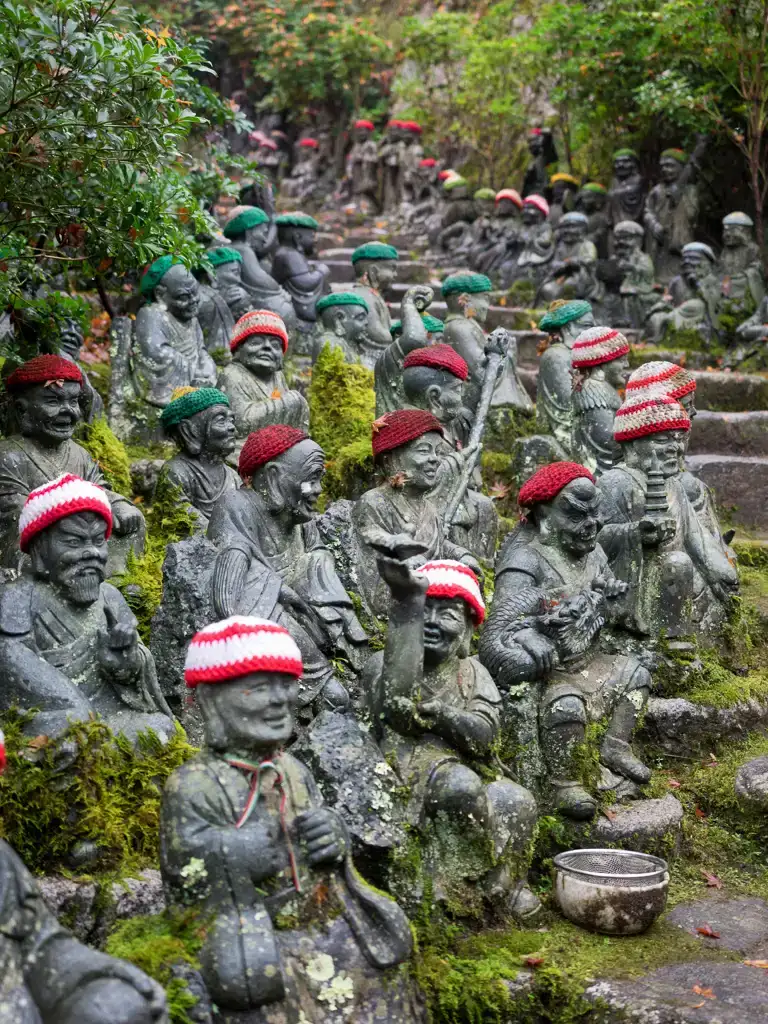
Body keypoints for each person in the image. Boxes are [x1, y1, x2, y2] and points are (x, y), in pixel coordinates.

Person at [160, 617, 416, 1021]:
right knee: (253, 984)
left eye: (286, 685)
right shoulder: (194, 785)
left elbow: (324, 852)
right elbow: (185, 871)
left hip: (315, 917)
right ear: (211, 699)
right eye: (260, 688)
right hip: (251, 929)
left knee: (389, 946)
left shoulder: (294, 771)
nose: (281, 699)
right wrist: (247, 850)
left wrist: (332, 840)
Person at [364, 554, 541, 919]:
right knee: (459, 787)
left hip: (467, 760)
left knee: (517, 799)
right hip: (407, 764)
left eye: (447, 614)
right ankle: (449, 886)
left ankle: (503, 885)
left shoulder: (473, 672)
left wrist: (446, 717)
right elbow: (393, 708)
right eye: (424, 611)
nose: (432, 622)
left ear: (467, 632)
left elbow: (486, 735)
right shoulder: (384, 665)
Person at [480, 462, 652, 819]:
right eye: (576, 516)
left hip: (589, 659)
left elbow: (606, 595)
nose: (591, 525)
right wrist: (529, 635)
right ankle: (565, 783)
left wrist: (611, 599)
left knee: (637, 675)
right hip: (555, 670)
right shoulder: (525, 559)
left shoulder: (595, 553)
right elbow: (503, 621)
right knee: (566, 706)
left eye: (595, 513)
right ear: (545, 517)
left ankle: (615, 746)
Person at [0, 474, 174, 742]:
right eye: (74, 542)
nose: (92, 552)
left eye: (98, 541)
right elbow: (13, 669)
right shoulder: (18, 597)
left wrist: (124, 664)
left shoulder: (110, 598)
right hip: (55, 719)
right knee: (76, 731)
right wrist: (74, 711)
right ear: (39, 548)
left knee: (161, 729)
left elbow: (138, 679)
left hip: (109, 715)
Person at [208, 425, 367, 710]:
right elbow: (230, 583)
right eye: (310, 480)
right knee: (334, 697)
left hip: (305, 616)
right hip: (265, 612)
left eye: (320, 480)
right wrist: (282, 590)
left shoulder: (302, 521)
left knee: (317, 561)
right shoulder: (236, 504)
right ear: (273, 477)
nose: (318, 490)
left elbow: (317, 563)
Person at [598, 394, 738, 637]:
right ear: (632, 444)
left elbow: (696, 537)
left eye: (678, 438)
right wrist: (635, 534)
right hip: (637, 580)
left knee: (708, 575)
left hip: (678, 578)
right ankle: (671, 642)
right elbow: (595, 545)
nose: (676, 447)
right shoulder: (615, 483)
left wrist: (721, 570)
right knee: (677, 565)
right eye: (663, 439)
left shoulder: (674, 486)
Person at [0, 354, 144, 570]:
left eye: (74, 401)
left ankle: (116, 577)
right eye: (53, 401)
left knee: (133, 521)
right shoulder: (10, 455)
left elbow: (98, 489)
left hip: (82, 539)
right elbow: (16, 516)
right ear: (22, 409)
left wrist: (116, 504)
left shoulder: (79, 454)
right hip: (34, 545)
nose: (68, 410)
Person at [351, 410, 479, 619]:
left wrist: (459, 555)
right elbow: (373, 549)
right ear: (390, 460)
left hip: (432, 605)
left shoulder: (429, 508)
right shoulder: (374, 503)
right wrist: (404, 559)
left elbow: (438, 544)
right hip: (397, 603)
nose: (435, 460)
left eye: (437, 452)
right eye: (423, 450)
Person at [217, 310, 309, 463]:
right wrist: (286, 403)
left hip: (277, 443)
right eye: (256, 342)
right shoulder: (232, 374)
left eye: (275, 345)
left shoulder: (277, 377)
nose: (267, 348)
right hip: (243, 447)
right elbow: (240, 423)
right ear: (239, 350)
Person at [132, 256, 217, 408]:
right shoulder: (151, 314)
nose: (193, 300)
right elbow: (155, 353)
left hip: (192, 378)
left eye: (195, 292)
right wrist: (193, 370)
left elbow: (200, 350)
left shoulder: (192, 320)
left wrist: (206, 365)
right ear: (160, 294)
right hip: (165, 386)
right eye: (183, 296)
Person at [158, 386, 240, 533]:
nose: (232, 427)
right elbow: (188, 523)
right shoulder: (176, 472)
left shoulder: (233, 477)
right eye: (221, 421)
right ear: (189, 430)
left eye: (232, 420)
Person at [570, 326, 631, 474]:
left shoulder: (605, 388)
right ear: (602, 363)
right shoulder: (591, 389)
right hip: (600, 472)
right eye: (621, 360)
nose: (627, 365)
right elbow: (606, 440)